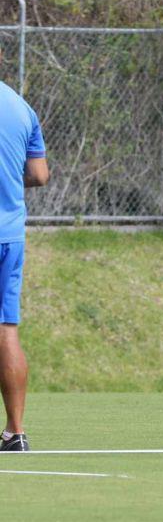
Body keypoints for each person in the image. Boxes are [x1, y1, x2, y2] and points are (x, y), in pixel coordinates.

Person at [0, 49, 50, 452]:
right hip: (10, 236)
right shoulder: (20, 107)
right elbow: (38, 174)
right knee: (6, 331)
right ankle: (15, 433)